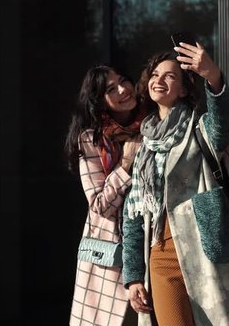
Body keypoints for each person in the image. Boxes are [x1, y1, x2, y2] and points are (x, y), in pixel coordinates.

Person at [122, 43, 229, 325]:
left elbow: (223, 123)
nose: (159, 80)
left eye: (170, 76)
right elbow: (133, 218)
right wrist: (132, 277)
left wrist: (213, 76)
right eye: (154, 75)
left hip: (205, 252)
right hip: (161, 256)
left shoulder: (200, 128)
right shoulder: (144, 147)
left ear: (184, 89)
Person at [65, 64, 146, 326]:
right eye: (111, 89)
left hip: (149, 243)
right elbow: (100, 205)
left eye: (123, 81)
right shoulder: (91, 139)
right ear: (100, 102)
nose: (123, 90)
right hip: (109, 256)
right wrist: (125, 165)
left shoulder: (152, 126)